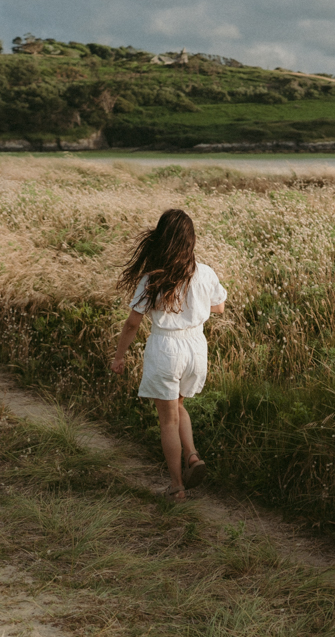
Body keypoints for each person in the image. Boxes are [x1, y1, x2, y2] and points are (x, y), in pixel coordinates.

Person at [110, 208, 227, 500]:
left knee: (168, 420)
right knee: (177, 406)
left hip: (166, 348)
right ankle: (192, 456)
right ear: (191, 241)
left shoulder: (153, 279)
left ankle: (176, 487)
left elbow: (132, 323)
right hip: (196, 348)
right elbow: (220, 307)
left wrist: (119, 356)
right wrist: (196, 307)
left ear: (162, 239)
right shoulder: (205, 273)